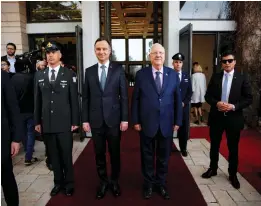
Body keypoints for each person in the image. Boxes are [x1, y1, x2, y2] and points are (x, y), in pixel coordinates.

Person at [131, 43, 182, 200]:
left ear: (165, 56)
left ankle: (160, 183)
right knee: (147, 156)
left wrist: (178, 121)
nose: (158, 55)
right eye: (155, 53)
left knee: (163, 157)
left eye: (161, 53)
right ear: (150, 56)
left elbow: (177, 99)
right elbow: (136, 99)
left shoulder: (172, 74)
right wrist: (136, 120)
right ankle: (148, 184)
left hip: (166, 124)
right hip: (147, 123)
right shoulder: (141, 74)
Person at [82, 37, 128, 200]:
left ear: (110, 51)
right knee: (99, 154)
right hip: (95, 121)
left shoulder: (118, 70)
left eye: (104, 49)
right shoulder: (89, 71)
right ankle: (103, 182)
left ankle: (114, 181)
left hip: (114, 120)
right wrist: (85, 120)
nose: (101, 52)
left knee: (115, 153)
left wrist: (124, 118)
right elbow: (86, 98)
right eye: (98, 49)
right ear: (95, 51)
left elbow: (123, 96)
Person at [201, 50, 252, 189]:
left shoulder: (242, 78)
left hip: (233, 119)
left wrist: (233, 106)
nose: (227, 63)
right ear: (221, 63)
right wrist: (216, 103)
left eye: (230, 61)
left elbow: (248, 98)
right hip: (217, 118)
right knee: (214, 146)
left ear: (235, 62)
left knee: (233, 148)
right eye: (224, 61)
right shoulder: (216, 77)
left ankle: (233, 174)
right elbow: (207, 96)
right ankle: (213, 168)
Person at [34, 41, 79, 196]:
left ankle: (69, 183)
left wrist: (75, 121)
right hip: (47, 123)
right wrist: (37, 121)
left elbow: (74, 100)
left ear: (60, 55)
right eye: (48, 53)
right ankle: (58, 182)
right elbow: (37, 101)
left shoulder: (69, 74)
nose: (50, 55)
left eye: (53, 52)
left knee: (66, 154)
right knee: (53, 156)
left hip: (65, 123)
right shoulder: (39, 75)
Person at [1, 70, 23, 206]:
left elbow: (13, 108)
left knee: (6, 176)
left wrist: (16, 139)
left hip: (1, 137)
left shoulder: (2, 76)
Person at [11, 65, 38, 166]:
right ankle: (28, 157)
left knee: (23, 133)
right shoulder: (31, 77)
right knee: (30, 133)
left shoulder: (12, 78)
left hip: (18, 111)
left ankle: (28, 152)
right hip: (30, 110)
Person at [171, 53, 192, 156]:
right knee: (169, 128)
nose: (178, 64)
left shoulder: (186, 76)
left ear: (182, 64)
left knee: (183, 130)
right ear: (172, 63)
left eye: (180, 62)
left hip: (183, 108)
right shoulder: (169, 75)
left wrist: (184, 102)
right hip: (171, 108)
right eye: (176, 62)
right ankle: (168, 148)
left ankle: (183, 148)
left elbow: (190, 92)